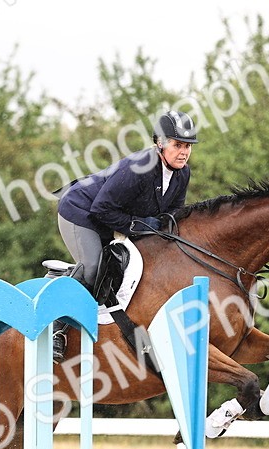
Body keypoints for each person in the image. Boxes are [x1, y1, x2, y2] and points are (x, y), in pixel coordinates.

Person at [52, 110, 198, 359]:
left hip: (111, 217)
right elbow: (101, 209)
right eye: (177, 145)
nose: (183, 152)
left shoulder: (182, 173)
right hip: (81, 212)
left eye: (188, 146)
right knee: (93, 267)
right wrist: (142, 226)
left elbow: (173, 213)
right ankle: (56, 327)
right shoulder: (138, 168)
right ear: (160, 143)